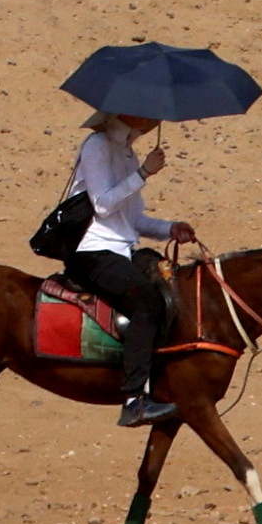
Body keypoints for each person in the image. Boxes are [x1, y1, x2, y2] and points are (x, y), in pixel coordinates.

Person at [58, 109, 201, 428]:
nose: (155, 119)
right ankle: (134, 400)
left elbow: (132, 221)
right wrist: (144, 173)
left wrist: (171, 227)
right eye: (148, 113)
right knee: (146, 302)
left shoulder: (126, 152)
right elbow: (104, 205)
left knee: (173, 289)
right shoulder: (96, 146)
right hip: (91, 250)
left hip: (121, 248)